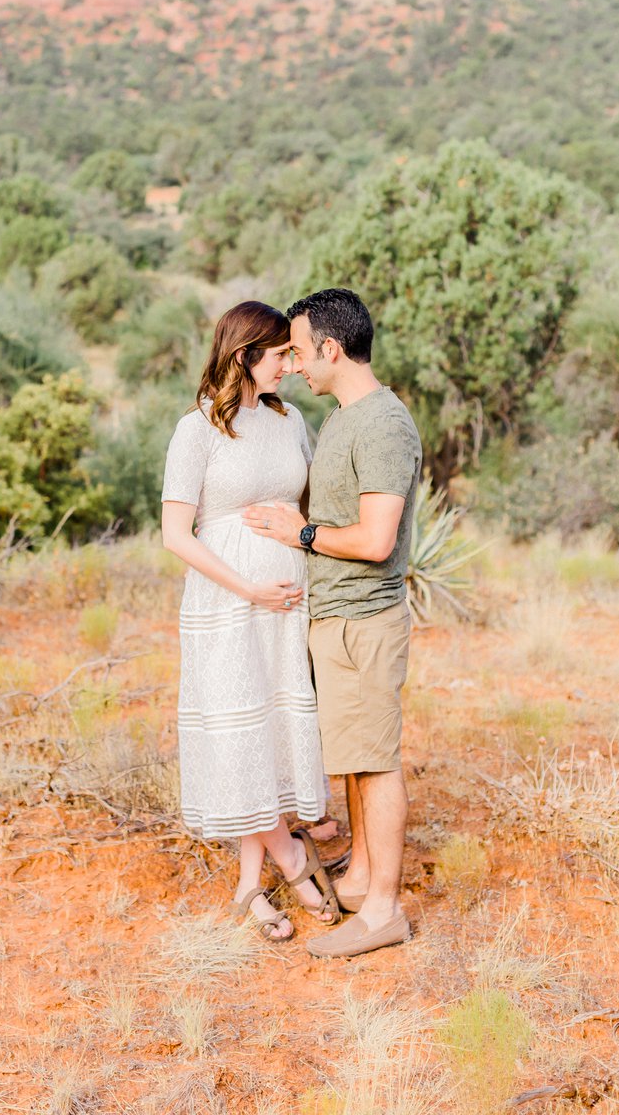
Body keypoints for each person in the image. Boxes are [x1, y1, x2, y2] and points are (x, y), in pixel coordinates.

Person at [243, 287, 422, 958]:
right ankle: (363, 877)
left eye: (298, 351)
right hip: (338, 617)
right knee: (354, 757)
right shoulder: (348, 418)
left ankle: (382, 913)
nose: (292, 365)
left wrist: (301, 533)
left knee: (375, 764)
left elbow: (375, 540)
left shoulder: (382, 425)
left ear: (331, 348)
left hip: (365, 620)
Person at [161, 301, 340, 942]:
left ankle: (247, 885)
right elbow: (175, 534)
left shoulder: (290, 421)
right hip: (229, 603)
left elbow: (309, 503)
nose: (290, 366)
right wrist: (248, 589)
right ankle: (290, 857)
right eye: (280, 354)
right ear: (244, 356)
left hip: (285, 603)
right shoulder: (198, 430)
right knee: (240, 730)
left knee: (268, 729)